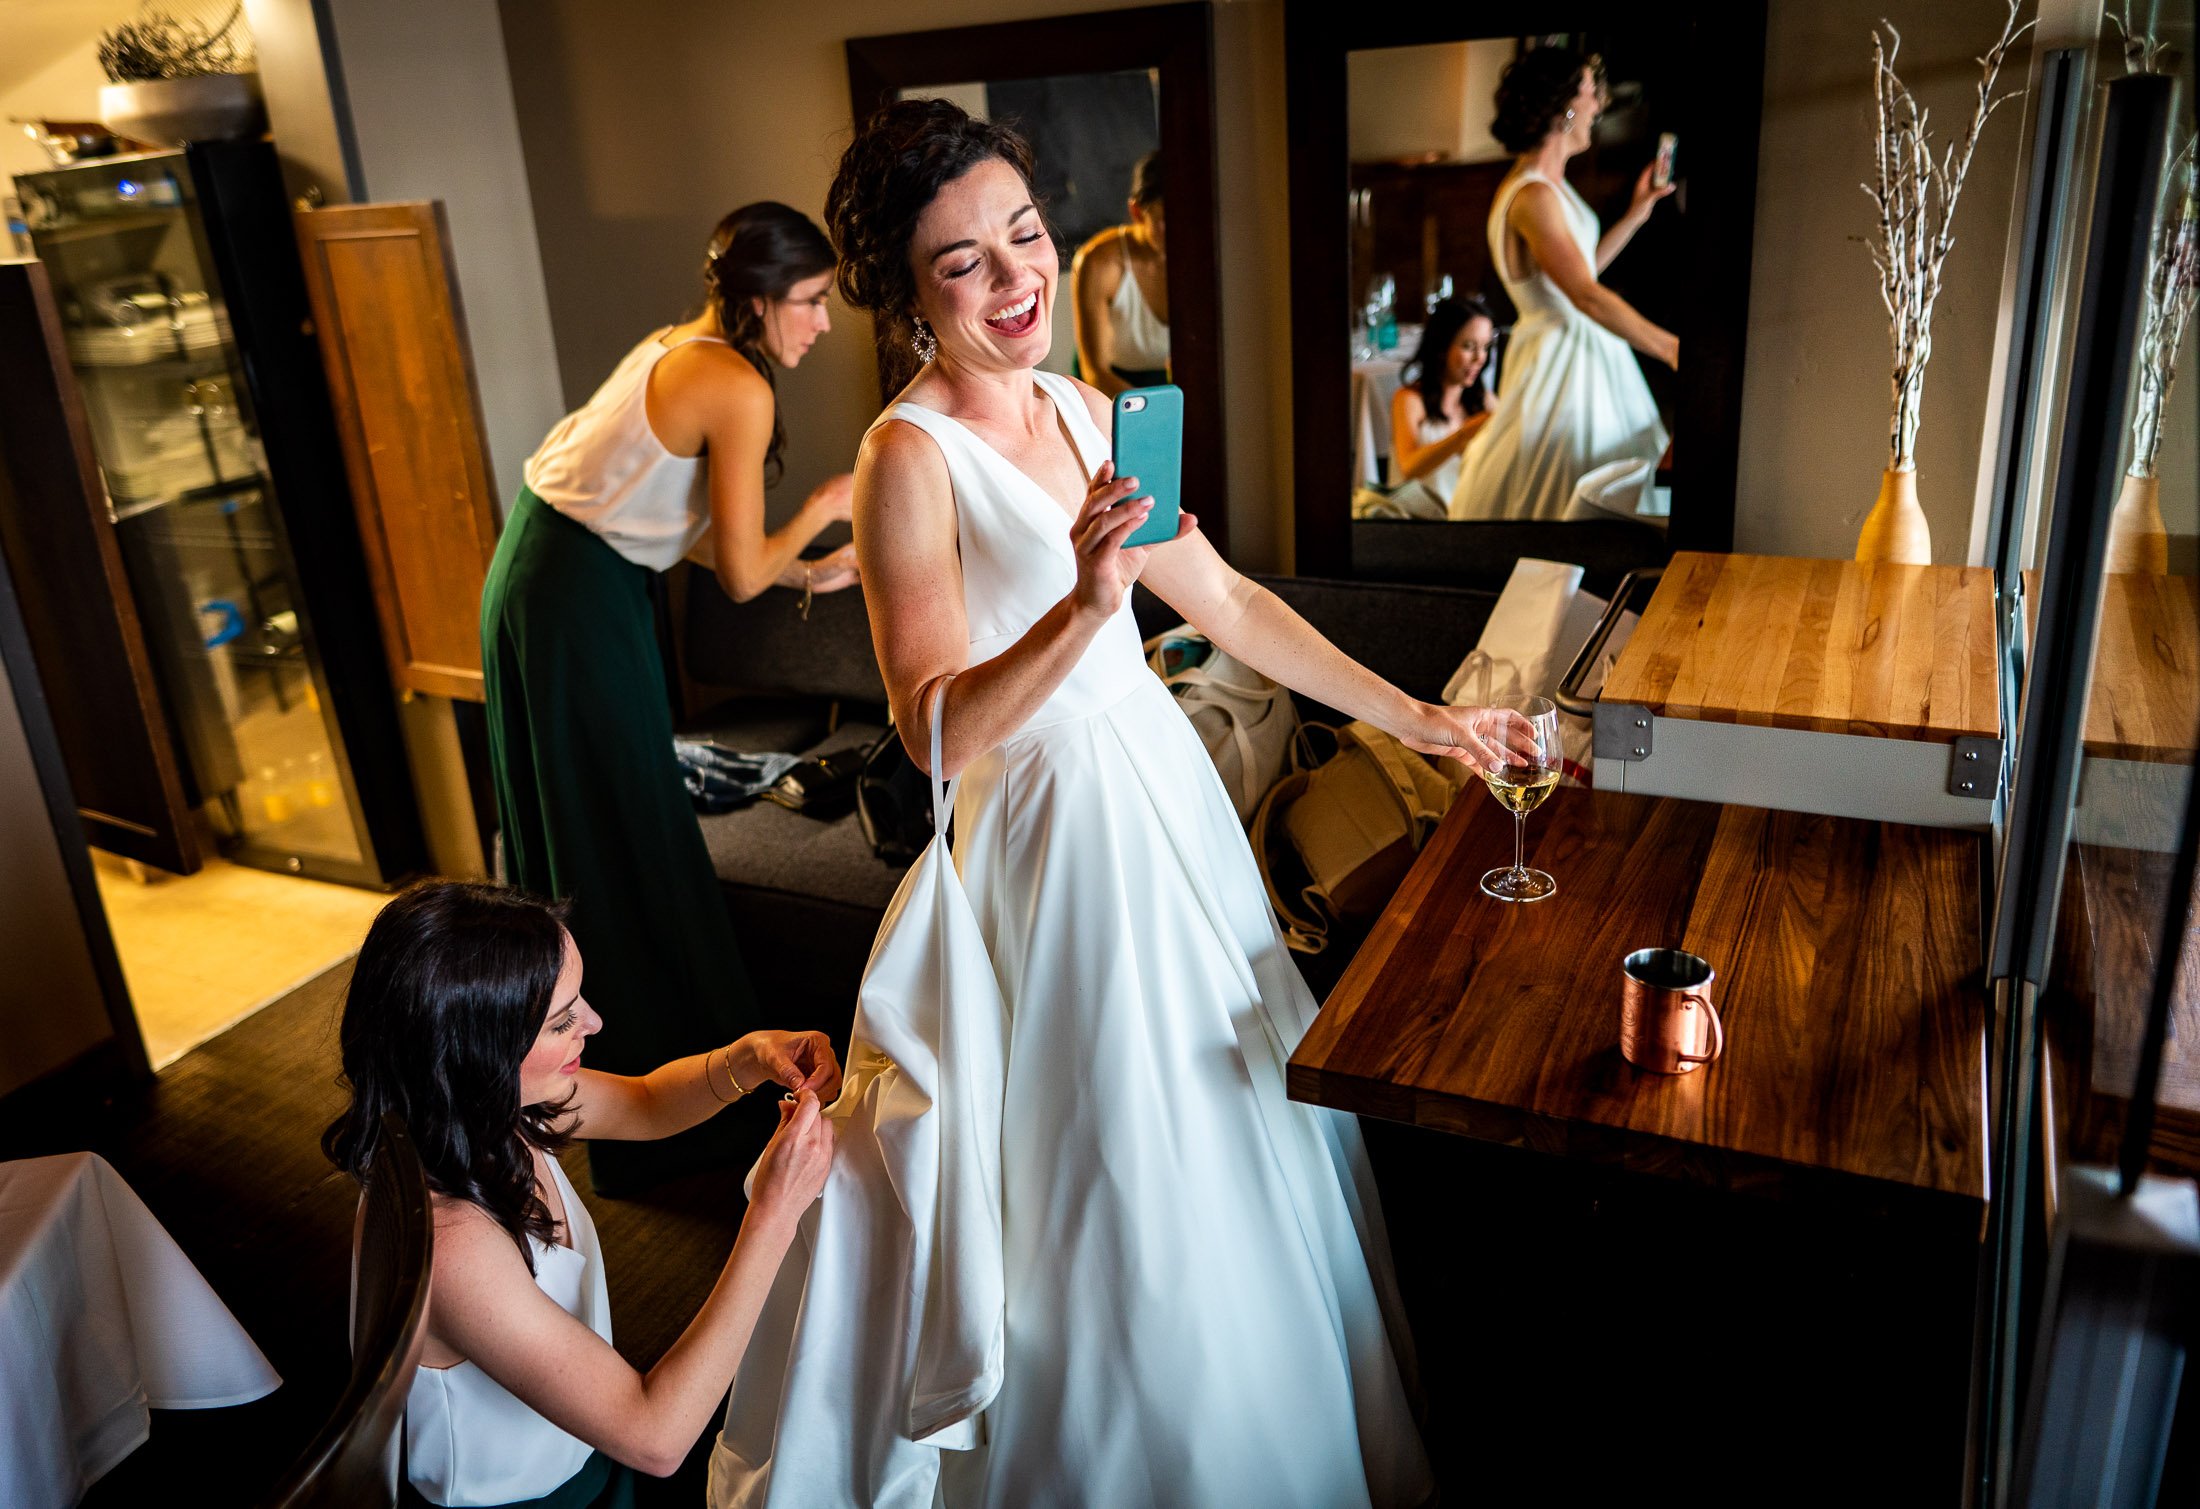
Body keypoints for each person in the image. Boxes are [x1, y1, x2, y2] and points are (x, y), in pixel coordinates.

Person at [713, 98, 1529, 1509]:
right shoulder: (907, 457)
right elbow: (930, 731)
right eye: (963, 261)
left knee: (1238, 1142)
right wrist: (1086, 605)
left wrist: (1429, 718)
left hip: (1161, 802)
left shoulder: (1089, 409)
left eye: (1023, 233)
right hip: (1045, 841)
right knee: (1104, 1174)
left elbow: (1229, 602)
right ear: (909, 296)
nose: (1017, 276)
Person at [479, 203, 858, 1193]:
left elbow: (683, 530)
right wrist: (821, 510)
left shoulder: (677, 344)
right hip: (576, 596)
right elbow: (732, 571)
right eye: (811, 302)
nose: (822, 323)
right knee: (623, 833)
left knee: (593, 826)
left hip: (553, 571)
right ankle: (667, 1115)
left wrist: (812, 572)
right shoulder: (734, 384)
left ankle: (617, 1090)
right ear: (760, 298)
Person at [322, 881, 840, 1509]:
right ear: (479, 1050)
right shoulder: (454, 1246)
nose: (593, 1022)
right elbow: (657, 1438)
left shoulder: (483, 1107)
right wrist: (774, 1215)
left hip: (581, 1440)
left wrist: (750, 1057)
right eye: (562, 1019)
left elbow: (646, 1103)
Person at [1449, 47, 1675, 521]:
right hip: (1562, 366)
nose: (1599, 105)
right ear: (1564, 105)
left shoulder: (1552, 187)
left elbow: (1580, 272)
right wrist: (1670, 347)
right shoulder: (1532, 195)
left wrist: (1638, 212)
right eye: (1592, 93)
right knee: (1559, 499)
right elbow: (1585, 294)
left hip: (1583, 349)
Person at [1069, 150, 1169, 394]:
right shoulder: (1099, 263)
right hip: (1110, 388)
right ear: (1137, 212)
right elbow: (1095, 371)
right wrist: (1149, 416)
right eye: (1165, 220)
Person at [1389, 295, 1499, 513]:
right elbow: (1409, 467)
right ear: (1442, 347)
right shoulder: (1410, 399)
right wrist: (1463, 435)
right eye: (1468, 346)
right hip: (1415, 518)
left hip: (1467, 515)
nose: (1480, 358)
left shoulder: (1483, 400)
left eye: (1485, 347)